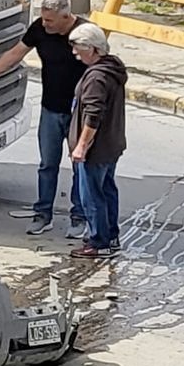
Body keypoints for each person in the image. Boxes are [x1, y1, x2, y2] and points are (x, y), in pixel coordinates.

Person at [0, 0, 90, 239]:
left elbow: (100, 67)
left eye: (50, 21)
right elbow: (15, 53)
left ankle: (80, 216)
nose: (45, 24)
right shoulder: (40, 29)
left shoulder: (85, 33)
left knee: (80, 166)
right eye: (43, 19)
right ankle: (43, 213)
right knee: (47, 165)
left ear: (66, 17)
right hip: (51, 109)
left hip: (79, 112)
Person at [67, 23, 128, 260]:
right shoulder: (113, 69)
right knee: (107, 190)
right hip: (112, 144)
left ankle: (98, 242)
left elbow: (93, 115)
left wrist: (81, 146)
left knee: (92, 196)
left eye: (77, 48)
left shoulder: (96, 78)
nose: (74, 53)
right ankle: (111, 237)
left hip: (96, 149)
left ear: (91, 49)